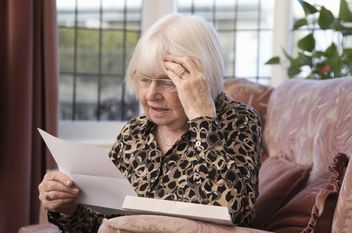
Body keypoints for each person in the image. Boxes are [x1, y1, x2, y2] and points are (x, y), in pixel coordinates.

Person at [38, 13, 262, 232]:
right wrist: (68, 208)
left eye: (167, 82)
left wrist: (201, 117)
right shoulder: (134, 133)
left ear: (200, 81)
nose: (151, 94)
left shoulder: (238, 120)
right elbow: (101, 223)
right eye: (145, 80)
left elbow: (234, 210)